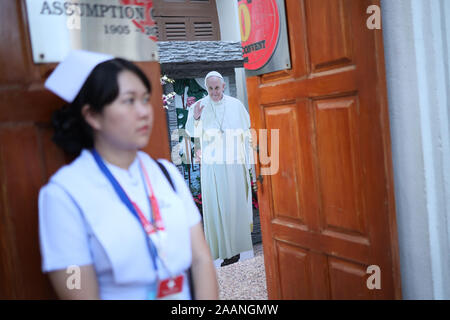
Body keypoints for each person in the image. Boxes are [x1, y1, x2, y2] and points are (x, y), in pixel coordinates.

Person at [38, 50, 218, 300]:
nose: (144, 111)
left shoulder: (166, 174)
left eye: (145, 99)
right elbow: (75, 282)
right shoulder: (63, 195)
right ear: (92, 115)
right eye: (129, 101)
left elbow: (200, 258)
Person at [185, 71, 254, 267]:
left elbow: (246, 131)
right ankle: (225, 251)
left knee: (234, 204)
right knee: (219, 207)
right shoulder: (199, 106)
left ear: (223, 86)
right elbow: (192, 134)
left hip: (233, 163)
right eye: (210, 88)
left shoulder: (235, 105)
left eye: (217, 87)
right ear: (206, 88)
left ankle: (236, 250)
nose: (214, 92)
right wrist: (196, 118)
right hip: (213, 166)